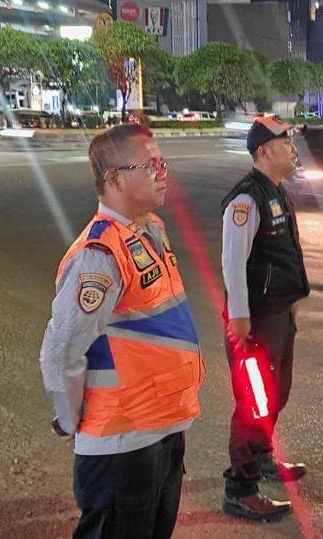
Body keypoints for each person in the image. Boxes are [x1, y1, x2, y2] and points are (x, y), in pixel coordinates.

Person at [40, 122, 205, 539]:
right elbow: (61, 351)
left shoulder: (149, 230)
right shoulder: (99, 255)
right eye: (150, 165)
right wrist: (68, 417)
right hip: (121, 444)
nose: (162, 172)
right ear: (114, 179)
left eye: (162, 162)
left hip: (162, 431)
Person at [219, 115, 311, 522]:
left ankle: (263, 458)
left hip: (277, 314)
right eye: (284, 142)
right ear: (263, 152)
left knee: (277, 393)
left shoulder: (276, 192)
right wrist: (239, 318)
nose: (292, 149)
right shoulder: (246, 200)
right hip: (254, 320)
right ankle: (240, 488)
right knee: (254, 402)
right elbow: (233, 262)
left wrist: (292, 302)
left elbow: (283, 255)